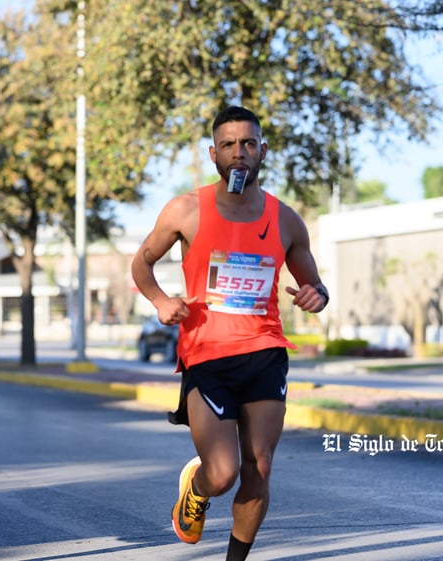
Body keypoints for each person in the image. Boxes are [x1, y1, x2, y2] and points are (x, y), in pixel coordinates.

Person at [131, 106, 328, 561]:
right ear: (212, 153)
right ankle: (196, 489)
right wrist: (161, 301)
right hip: (206, 354)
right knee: (222, 473)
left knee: (257, 469)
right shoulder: (186, 210)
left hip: (265, 351)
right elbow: (142, 262)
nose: (239, 153)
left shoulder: (285, 220)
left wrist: (318, 295)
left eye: (248, 143)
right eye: (228, 145)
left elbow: (313, 283)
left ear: (263, 149)